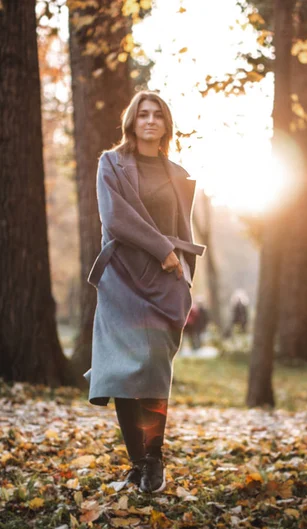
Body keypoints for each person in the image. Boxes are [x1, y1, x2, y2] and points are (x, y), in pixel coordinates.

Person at [83, 91, 206, 494]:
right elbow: (116, 218)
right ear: (132, 121)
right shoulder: (111, 163)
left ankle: (154, 457)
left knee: (153, 367)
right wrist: (163, 250)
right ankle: (140, 464)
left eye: (157, 115)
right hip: (121, 279)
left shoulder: (178, 173)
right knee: (123, 370)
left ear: (166, 124)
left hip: (165, 281)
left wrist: (185, 276)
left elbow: (184, 232)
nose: (150, 120)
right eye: (143, 114)